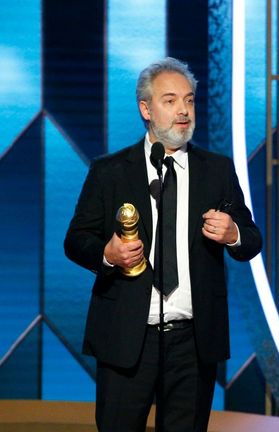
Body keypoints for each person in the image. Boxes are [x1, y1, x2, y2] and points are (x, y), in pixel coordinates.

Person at [64, 57, 262, 432]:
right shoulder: (109, 171)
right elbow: (76, 240)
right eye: (170, 101)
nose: (183, 110)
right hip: (126, 337)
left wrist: (233, 232)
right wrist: (107, 255)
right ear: (146, 109)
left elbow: (251, 240)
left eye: (189, 100)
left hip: (192, 343)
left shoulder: (216, 170)